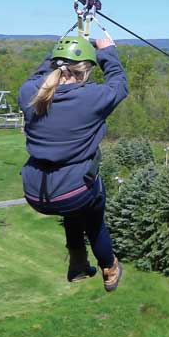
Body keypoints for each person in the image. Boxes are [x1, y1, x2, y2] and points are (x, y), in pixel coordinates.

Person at [19, 33, 129, 292]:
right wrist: (108, 51)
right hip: (73, 190)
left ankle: (78, 263)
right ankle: (109, 267)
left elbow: (41, 72)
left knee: (73, 201)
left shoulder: (28, 92)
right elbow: (119, 84)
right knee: (93, 217)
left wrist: (62, 50)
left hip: (35, 191)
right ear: (84, 72)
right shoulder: (91, 98)